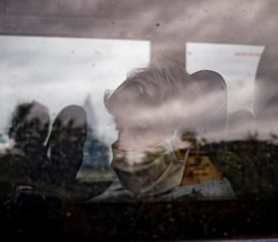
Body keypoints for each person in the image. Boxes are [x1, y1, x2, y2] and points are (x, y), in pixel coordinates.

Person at [89, 62, 236, 202]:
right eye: (119, 129)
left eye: (141, 130)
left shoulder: (210, 203)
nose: (122, 143)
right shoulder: (136, 191)